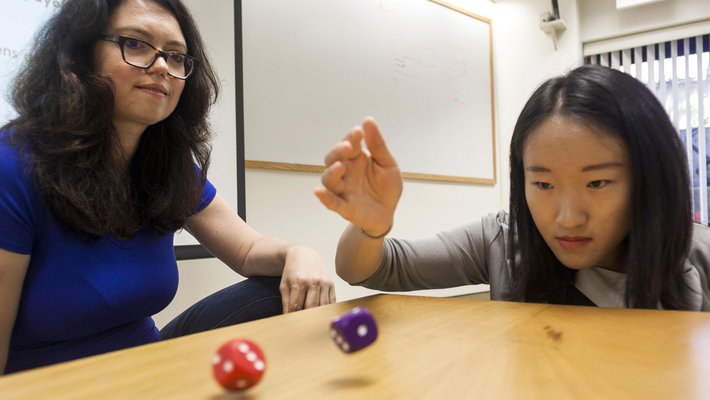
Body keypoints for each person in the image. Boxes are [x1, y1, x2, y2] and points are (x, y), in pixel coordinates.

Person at [0, 0, 335, 375]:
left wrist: (298, 251)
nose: (162, 66)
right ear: (80, 55)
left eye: (176, 56)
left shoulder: (165, 164)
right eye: (136, 44)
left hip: (151, 371)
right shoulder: (13, 165)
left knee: (279, 289)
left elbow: (247, 248)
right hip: (49, 387)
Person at [315, 64, 710, 312]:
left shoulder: (698, 256)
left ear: (648, 177)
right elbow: (368, 269)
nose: (567, 217)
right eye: (542, 183)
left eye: (597, 182)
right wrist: (372, 227)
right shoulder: (504, 241)